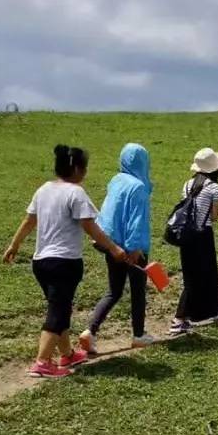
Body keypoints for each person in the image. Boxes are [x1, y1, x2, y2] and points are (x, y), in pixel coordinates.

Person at [3, 145, 127, 378]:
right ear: (78, 169)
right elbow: (90, 226)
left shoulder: (43, 190)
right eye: (86, 168)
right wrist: (113, 248)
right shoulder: (76, 193)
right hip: (65, 262)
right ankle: (42, 362)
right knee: (58, 311)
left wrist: (14, 245)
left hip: (40, 262)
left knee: (60, 307)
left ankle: (68, 354)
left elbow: (29, 220)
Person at [80, 143, 154, 354]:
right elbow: (137, 221)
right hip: (131, 247)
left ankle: (89, 331)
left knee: (114, 291)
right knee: (138, 291)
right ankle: (139, 335)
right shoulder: (138, 187)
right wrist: (135, 248)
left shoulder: (116, 180)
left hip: (111, 244)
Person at [170, 147, 218, 334]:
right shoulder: (214, 188)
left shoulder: (186, 185)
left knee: (190, 275)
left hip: (187, 236)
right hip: (203, 235)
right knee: (206, 274)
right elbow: (215, 216)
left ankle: (210, 311)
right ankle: (179, 319)